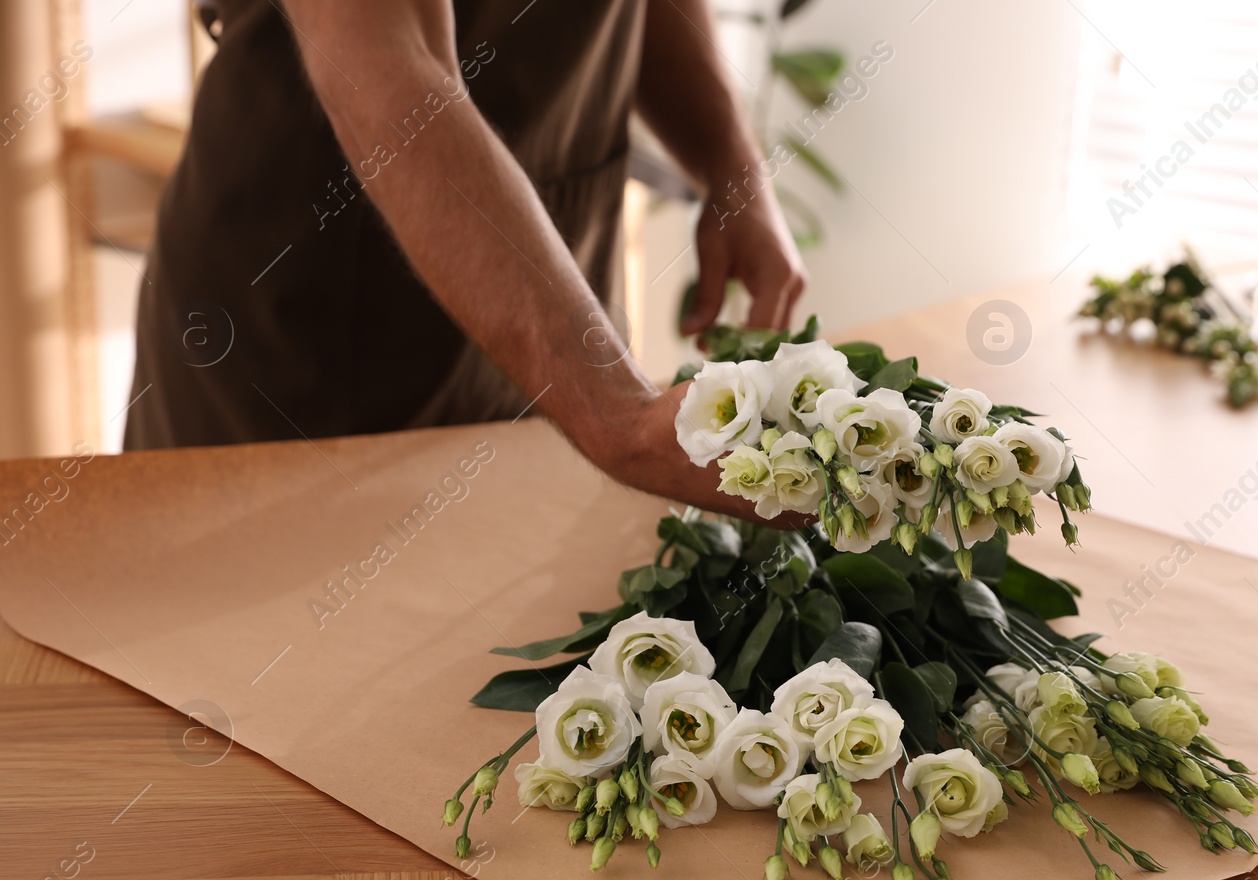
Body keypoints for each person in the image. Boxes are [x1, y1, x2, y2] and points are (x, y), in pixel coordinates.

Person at [125, 0, 804, 520]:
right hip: (313, 328)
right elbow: (392, 60)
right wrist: (618, 416)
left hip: (558, 322)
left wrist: (732, 166)